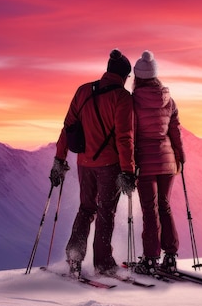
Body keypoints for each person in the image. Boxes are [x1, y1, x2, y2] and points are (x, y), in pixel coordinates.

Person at [50, 49, 136, 277]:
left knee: (86, 209)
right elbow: (124, 137)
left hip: (84, 163)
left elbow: (68, 128)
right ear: (124, 75)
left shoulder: (83, 91)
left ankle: (74, 258)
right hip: (110, 166)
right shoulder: (122, 98)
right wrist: (128, 171)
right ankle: (104, 263)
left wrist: (59, 160)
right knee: (105, 212)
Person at [131, 50, 186, 274]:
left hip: (145, 162)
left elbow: (130, 133)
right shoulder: (169, 100)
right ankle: (170, 255)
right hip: (168, 162)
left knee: (150, 210)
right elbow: (176, 132)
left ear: (137, 77)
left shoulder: (133, 102)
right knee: (165, 206)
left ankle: (151, 258)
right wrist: (180, 157)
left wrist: (129, 163)